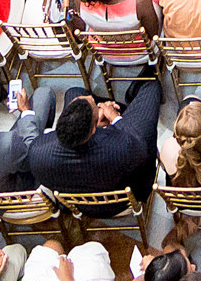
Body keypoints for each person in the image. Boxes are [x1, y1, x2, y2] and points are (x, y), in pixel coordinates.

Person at [27, 81, 166, 197]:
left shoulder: (37, 152)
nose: (94, 102)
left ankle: (121, 108)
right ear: (93, 130)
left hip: (80, 202)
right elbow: (140, 146)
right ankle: (122, 110)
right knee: (151, 87)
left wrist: (96, 120)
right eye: (96, 106)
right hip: (122, 197)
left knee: (73, 92)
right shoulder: (122, 148)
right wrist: (115, 118)